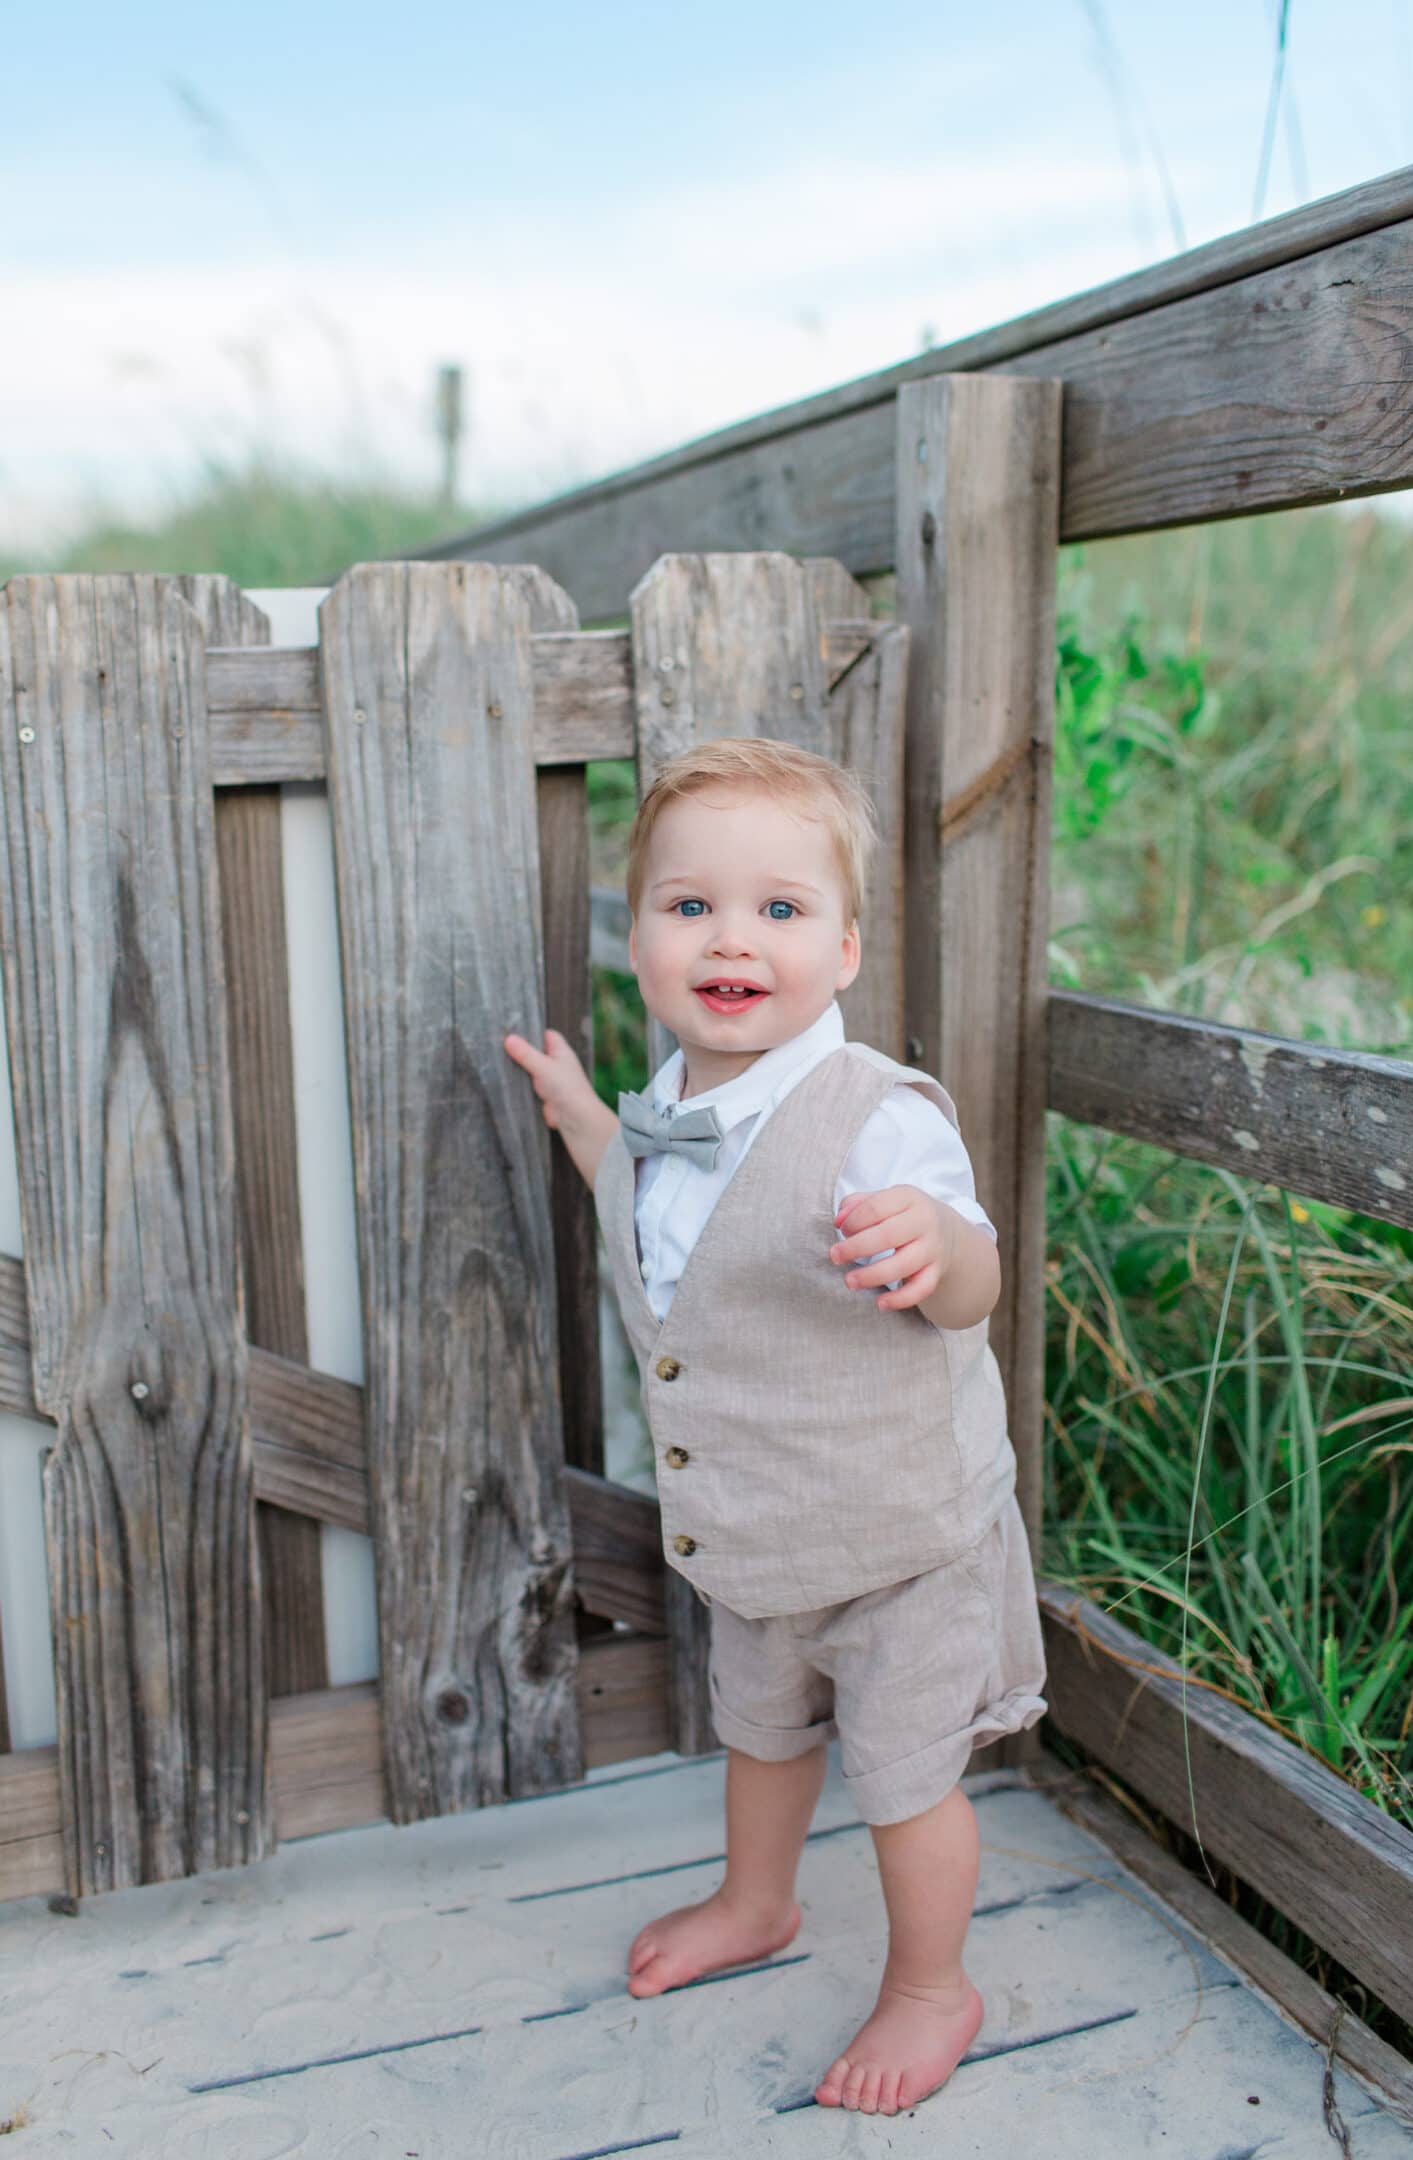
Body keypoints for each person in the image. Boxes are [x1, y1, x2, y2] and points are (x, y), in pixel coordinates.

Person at [502, 735, 1046, 2118]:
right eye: (690, 907)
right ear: (639, 939)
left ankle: (934, 1987)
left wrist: (939, 1248)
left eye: (781, 910)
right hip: (753, 1535)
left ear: (847, 950)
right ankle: (758, 1901)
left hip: (900, 1540)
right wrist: (579, 1113)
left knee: (909, 1779)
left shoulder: (878, 1122)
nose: (732, 936)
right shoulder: (674, 1108)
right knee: (760, 1731)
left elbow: (980, 1268)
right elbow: (642, 1180)